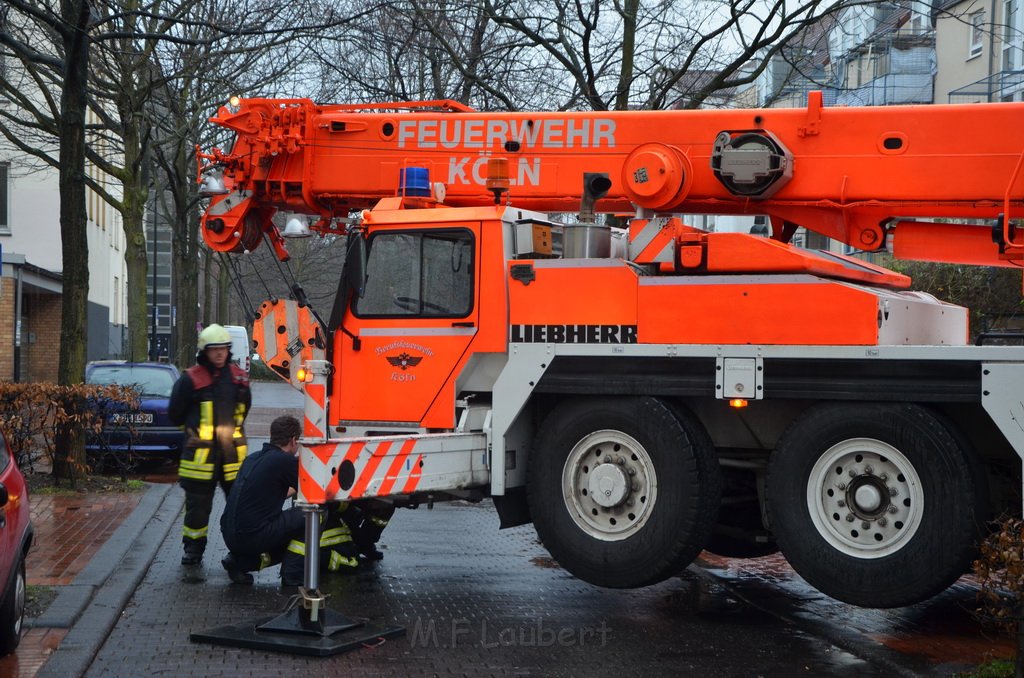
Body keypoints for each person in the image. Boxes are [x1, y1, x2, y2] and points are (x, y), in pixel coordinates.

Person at [220, 415, 361, 586]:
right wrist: (345, 506)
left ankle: (239, 563)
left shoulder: (254, 458)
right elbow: (315, 491)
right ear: (294, 440)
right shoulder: (284, 461)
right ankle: (293, 573)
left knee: (289, 538)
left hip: (230, 534)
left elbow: (275, 491)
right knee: (315, 513)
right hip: (252, 536)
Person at [168, 323, 251, 566]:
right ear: (204, 351)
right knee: (197, 510)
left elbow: (243, 411)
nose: (219, 354)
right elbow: (175, 413)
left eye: (223, 349)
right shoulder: (190, 380)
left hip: (233, 459)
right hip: (200, 461)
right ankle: (193, 551)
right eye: (214, 349)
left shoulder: (239, 379)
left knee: (238, 509)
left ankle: (239, 551)